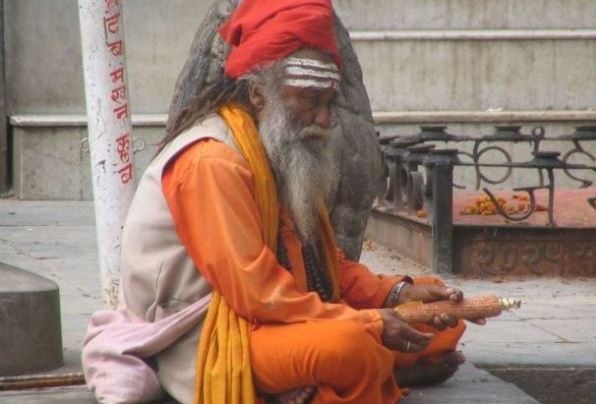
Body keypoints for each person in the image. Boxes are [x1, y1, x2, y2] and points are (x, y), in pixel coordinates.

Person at [83, 1, 483, 403]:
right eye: (309, 100)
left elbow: (320, 266)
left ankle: (372, 365)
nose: (324, 120)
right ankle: (371, 369)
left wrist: (395, 295)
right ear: (259, 95)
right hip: (212, 337)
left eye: (329, 102)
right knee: (352, 345)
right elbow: (258, 294)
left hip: (276, 317)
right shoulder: (212, 160)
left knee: (439, 319)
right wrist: (370, 323)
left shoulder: (275, 149)